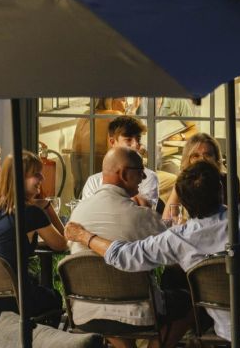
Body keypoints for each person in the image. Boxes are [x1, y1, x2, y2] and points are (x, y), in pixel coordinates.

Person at [65, 160, 240, 342]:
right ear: (220, 189)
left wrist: (84, 236)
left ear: (183, 202)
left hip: (227, 328)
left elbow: (123, 255)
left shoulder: (177, 238)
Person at [68, 146, 189, 348]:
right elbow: (174, 254)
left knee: (113, 316)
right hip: (137, 314)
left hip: (86, 313)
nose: (144, 177)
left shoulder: (78, 213)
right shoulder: (140, 216)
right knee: (190, 303)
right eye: (140, 171)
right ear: (124, 174)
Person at [0, 151, 66, 325]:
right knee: (55, 297)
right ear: (19, 178)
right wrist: (47, 207)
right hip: (14, 303)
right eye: (36, 174)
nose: (42, 178)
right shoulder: (31, 213)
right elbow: (61, 244)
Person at [81, 115, 159, 208]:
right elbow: (87, 212)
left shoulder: (149, 177)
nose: (136, 145)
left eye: (138, 139)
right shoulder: (93, 181)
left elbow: (145, 212)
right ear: (112, 142)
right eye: (128, 140)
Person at [161, 133, 225, 224]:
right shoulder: (184, 182)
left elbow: (235, 217)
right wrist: (188, 225)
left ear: (216, 158)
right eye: (195, 156)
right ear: (188, 159)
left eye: (208, 155)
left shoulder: (227, 180)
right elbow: (168, 219)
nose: (202, 159)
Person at [71, 97, 126, 192]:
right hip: (104, 184)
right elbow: (117, 156)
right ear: (110, 100)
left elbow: (74, 154)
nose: (126, 103)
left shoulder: (86, 115)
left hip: (82, 185)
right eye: (123, 99)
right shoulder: (115, 116)